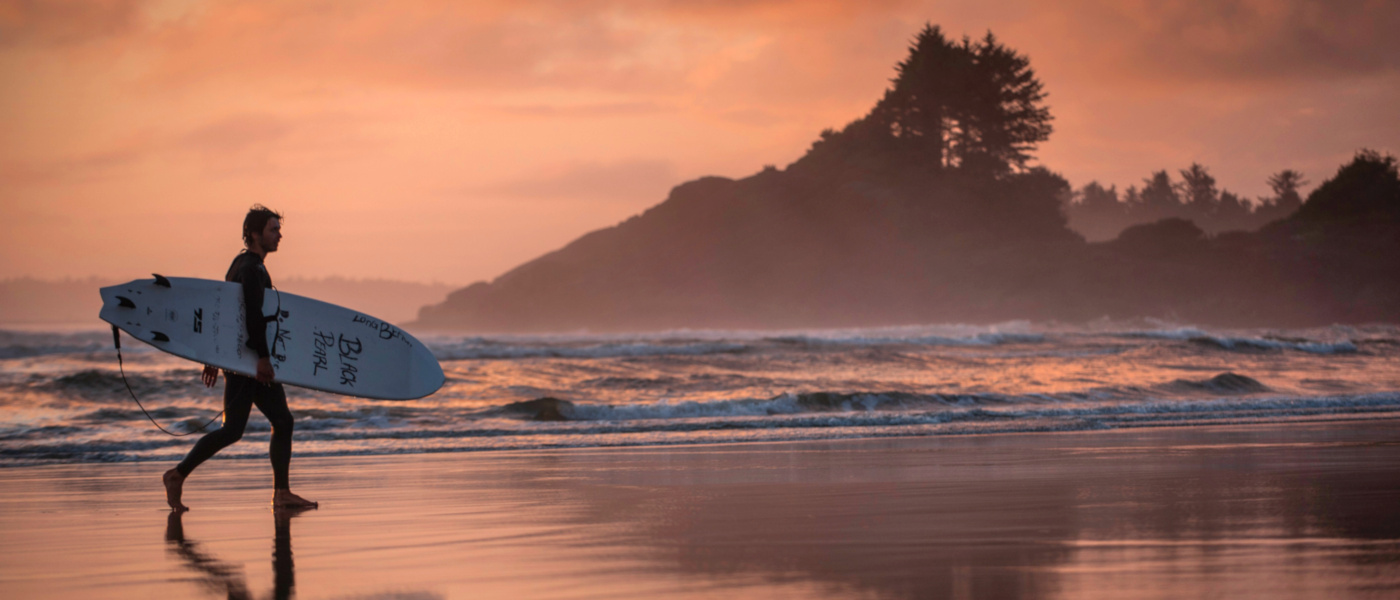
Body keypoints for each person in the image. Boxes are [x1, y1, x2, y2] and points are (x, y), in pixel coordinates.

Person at [163, 205, 317, 511]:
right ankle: (280, 493)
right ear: (256, 234)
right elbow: (252, 316)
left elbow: (224, 315)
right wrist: (262, 358)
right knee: (279, 422)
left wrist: (214, 356)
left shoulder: (241, 264)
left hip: (240, 361)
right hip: (249, 362)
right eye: (274, 229)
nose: (280, 235)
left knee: (240, 429)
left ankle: (178, 475)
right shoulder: (252, 269)